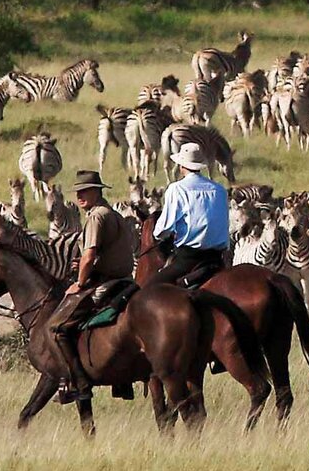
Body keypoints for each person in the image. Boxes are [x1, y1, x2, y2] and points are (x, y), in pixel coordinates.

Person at [34, 169, 136, 404]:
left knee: (56, 328)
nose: (80, 196)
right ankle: (123, 380)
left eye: (85, 191)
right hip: (126, 281)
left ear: (97, 191)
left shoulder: (96, 217)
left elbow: (89, 256)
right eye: (78, 192)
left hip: (104, 283)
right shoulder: (113, 214)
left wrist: (79, 283)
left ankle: (77, 383)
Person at [153, 143, 231, 287]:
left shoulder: (177, 189)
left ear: (182, 166)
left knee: (149, 288)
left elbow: (163, 229)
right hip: (217, 259)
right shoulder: (220, 190)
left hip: (188, 259)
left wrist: (159, 236)